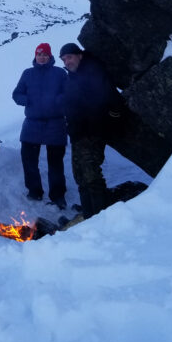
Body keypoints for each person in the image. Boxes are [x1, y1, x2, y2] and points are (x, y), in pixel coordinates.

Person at [59, 42, 117, 219]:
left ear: (79, 55)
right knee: (81, 177)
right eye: (64, 59)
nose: (67, 61)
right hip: (78, 134)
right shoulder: (72, 78)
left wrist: (100, 123)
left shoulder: (92, 72)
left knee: (91, 175)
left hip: (92, 132)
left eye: (69, 57)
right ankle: (89, 216)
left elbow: (109, 98)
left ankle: (99, 218)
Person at [12, 43, 69, 208]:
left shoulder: (59, 73)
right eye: (39, 54)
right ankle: (34, 191)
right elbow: (17, 94)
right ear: (35, 56)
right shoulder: (28, 73)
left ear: (50, 57)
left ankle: (58, 195)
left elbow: (68, 92)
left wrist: (58, 101)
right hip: (32, 123)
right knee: (29, 160)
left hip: (56, 122)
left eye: (45, 54)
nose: (42, 57)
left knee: (55, 162)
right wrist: (26, 100)